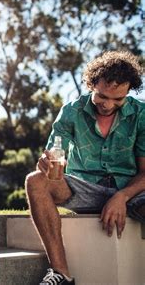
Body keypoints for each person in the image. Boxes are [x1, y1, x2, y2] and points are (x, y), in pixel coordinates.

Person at [25, 50, 144, 285]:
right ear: (92, 84)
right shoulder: (71, 111)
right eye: (101, 96)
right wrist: (48, 163)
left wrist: (122, 195)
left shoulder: (141, 114)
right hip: (84, 187)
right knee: (35, 180)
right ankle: (60, 273)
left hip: (130, 188)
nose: (108, 105)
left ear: (128, 92)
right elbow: (55, 153)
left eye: (117, 99)